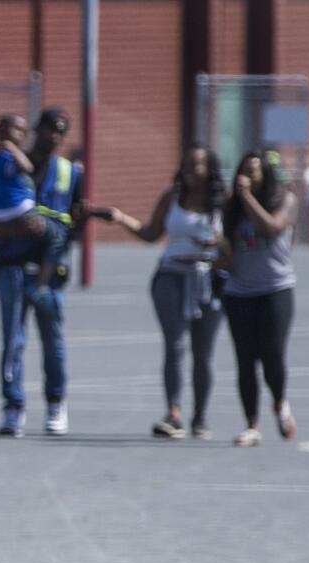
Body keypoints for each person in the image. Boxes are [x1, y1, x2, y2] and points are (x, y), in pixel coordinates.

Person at [104, 144, 228, 439]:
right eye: (185, 164)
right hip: (172, 276)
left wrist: (218, 243)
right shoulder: (172, 198)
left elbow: (235, 241)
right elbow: (151, 233)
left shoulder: (223, 203)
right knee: (175, 345)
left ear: (209, 169)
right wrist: (122, 219)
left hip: (208, 279)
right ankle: (174, 413)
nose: (188, 170)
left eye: (195, 165)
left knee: (204, 352)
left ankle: (200, 417)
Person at [0, 108, 85, 437]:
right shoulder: (6, 163)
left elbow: (76, 223)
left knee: (53, 341)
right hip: (13, 264)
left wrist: (53, 232)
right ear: (35, 129)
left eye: (61, 131)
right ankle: (13, 407)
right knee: (13, 341)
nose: (54, 135)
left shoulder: (70, 173)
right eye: (50, 128)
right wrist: (12, 228)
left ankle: (56, 402)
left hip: (50, 271)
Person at [220, 150, 298, 447]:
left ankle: (280, 403)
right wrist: (219, 255)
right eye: (244, 170)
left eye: (254, 171)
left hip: (275, 290)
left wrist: (247, 198)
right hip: (239, 292)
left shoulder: (285, 201)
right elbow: (228, 250)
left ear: (265, 175)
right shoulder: (233, 208)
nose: (248, 176)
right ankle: (252, 424)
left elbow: (270, 228)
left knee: (272, 356)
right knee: (245, 360)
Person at [0, 114, 70, 329]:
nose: (22, 136)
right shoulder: (8, 154)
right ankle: (40, 289)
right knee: (57, 236)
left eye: (24, 131)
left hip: (5, 216)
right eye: (17, 130)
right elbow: (27, 168)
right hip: (17, 212)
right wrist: (14, 149)